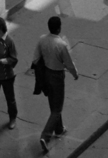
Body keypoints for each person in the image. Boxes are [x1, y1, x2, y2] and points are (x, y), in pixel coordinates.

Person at [32, 16, 78, 153]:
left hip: (46, 75)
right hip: (57, 76)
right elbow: (69, 64)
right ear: (59, 28)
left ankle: (59, 129)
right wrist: (75, 74)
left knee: (53, 102)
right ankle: (45, 136)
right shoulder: (61, 44)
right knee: (57, 108)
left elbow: (35, 59)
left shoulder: (42, 39)